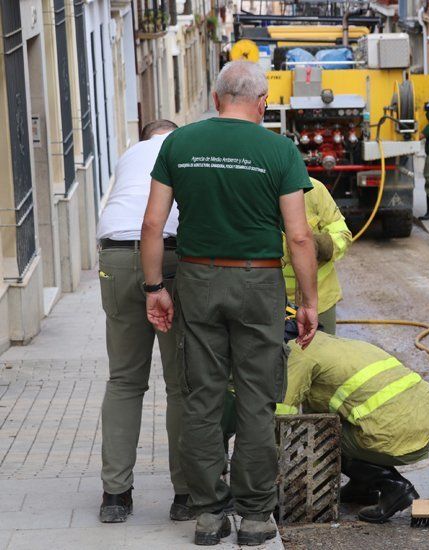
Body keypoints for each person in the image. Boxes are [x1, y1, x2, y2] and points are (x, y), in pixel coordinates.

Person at [141, 60, 319, 547]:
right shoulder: (279, 150)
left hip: (198, 278)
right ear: (261, 103)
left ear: (216, 98)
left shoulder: (179, 143)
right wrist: (309, 302)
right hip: (259, 284)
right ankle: (256, 516)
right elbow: (299, 237)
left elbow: (153, 225)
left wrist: (154, 288)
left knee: (203, 397)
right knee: (258, 399)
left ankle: (208, 515)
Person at [97, 120, 192, 524]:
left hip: (115, 255)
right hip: (167, 256)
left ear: (146, 137)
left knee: (123, 380)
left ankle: (115, 495)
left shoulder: (128, 155)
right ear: (176, 134)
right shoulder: (183, 150)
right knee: (181, 382)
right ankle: (186, 495)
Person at [275, 329, 429, 523]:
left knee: (319, 434)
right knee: (350, 419)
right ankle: (363, 487)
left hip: (402, 435)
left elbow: (282, 418)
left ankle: (393, 486)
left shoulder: (297, 354)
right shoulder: (333, 344)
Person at [282, 177, 351, 335]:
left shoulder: (314, 189)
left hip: (321, 301)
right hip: (269, 303)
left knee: (321, 356)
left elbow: (343, 235)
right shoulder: (255, 192)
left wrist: (319, 245)